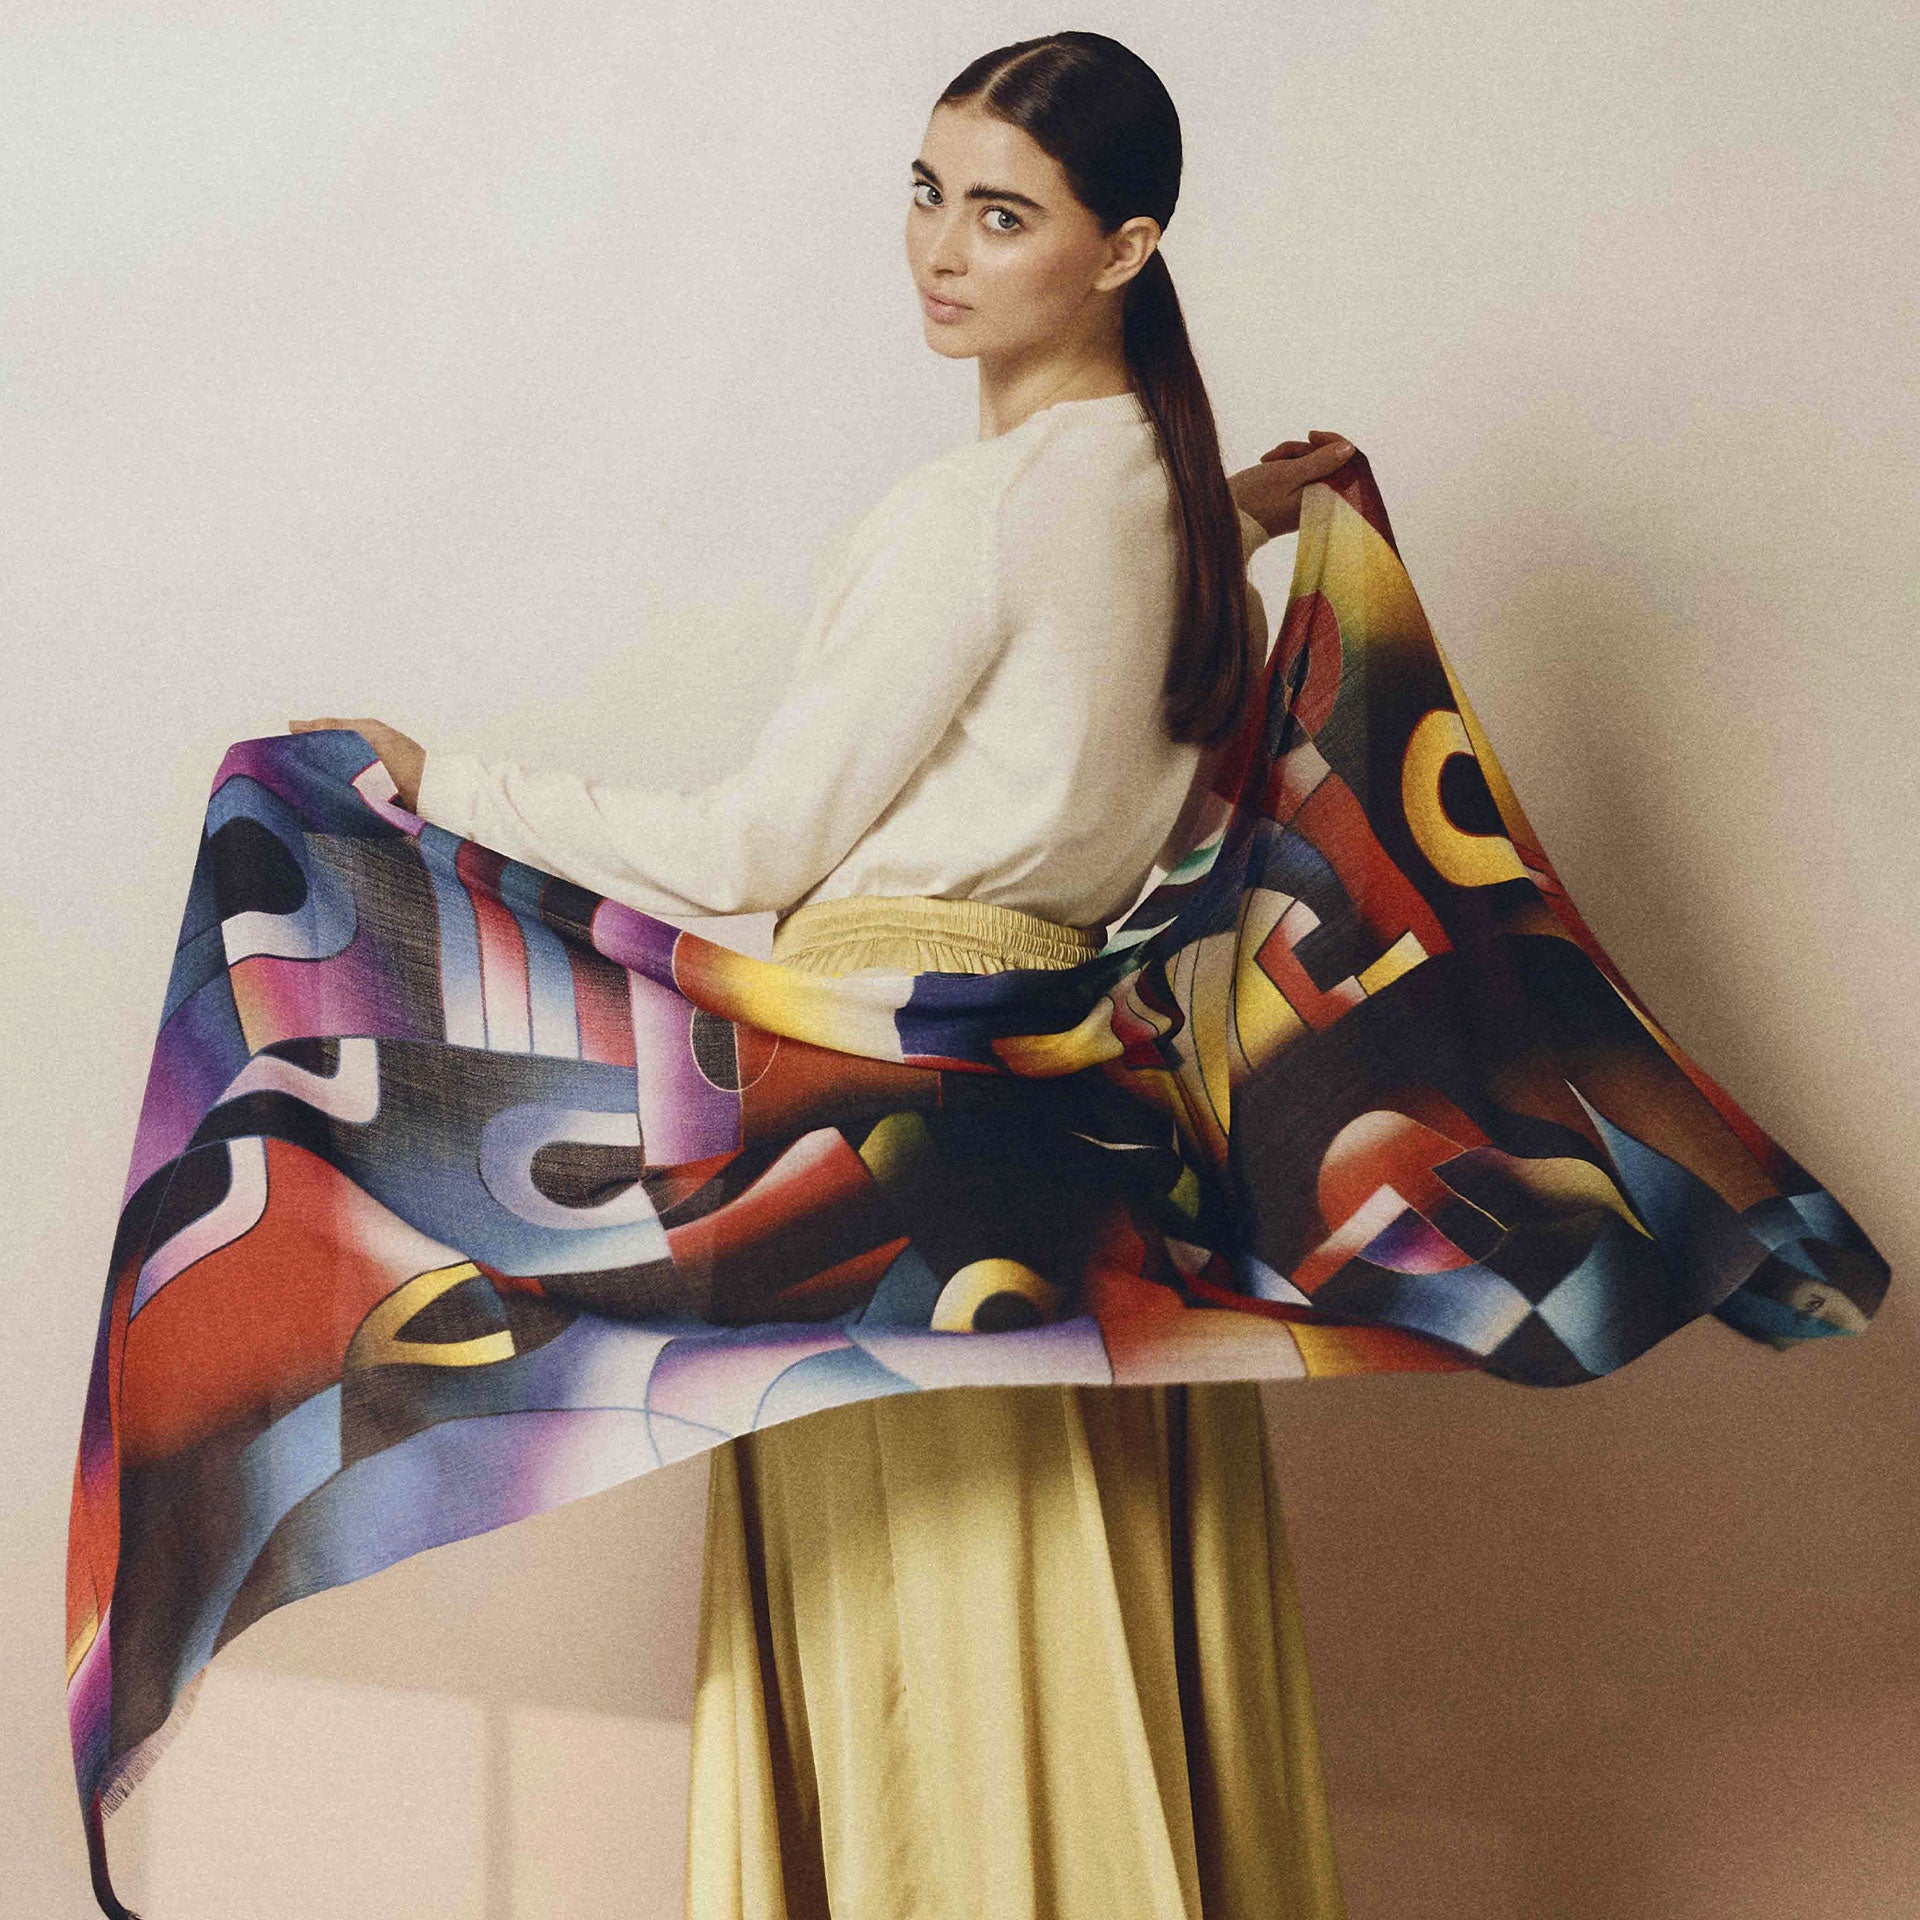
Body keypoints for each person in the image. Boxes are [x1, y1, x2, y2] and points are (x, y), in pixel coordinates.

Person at [294, 31, 1359, 1920]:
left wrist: (438, 781)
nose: (941, 249)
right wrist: (1269, 501)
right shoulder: (1185, 517)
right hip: (1077, 1131)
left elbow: (752, 852)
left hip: (897, 1134)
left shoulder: (983, 511)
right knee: (1068, 1624)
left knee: (927, 1662)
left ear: (1124, 251)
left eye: (1005, 215)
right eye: (929, 193)